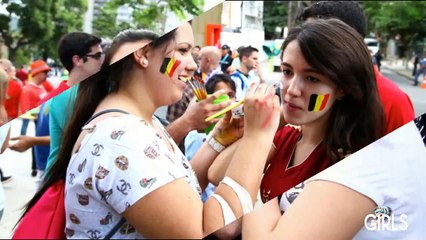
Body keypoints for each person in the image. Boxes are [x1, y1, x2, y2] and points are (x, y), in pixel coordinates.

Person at [19, 23, 281, 238]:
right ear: (143, 55)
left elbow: (175, 192)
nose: (191, 65)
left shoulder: (138, 123)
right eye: (182, 50)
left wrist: (218, 141)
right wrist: (258, 137)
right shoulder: (121, 138)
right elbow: (201, 228)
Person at [242, 112, 426, 239]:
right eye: (287, 71)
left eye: (311, 78)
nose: (292, 89)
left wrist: (253, 178)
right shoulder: (289, 134)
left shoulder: (362, 158)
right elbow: (217, 174)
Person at [299, 0, 415, 135]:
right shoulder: (296, 89)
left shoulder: (391, 100)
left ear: (353, 42)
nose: (305, 48)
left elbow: (408, 153)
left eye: (318, 41)